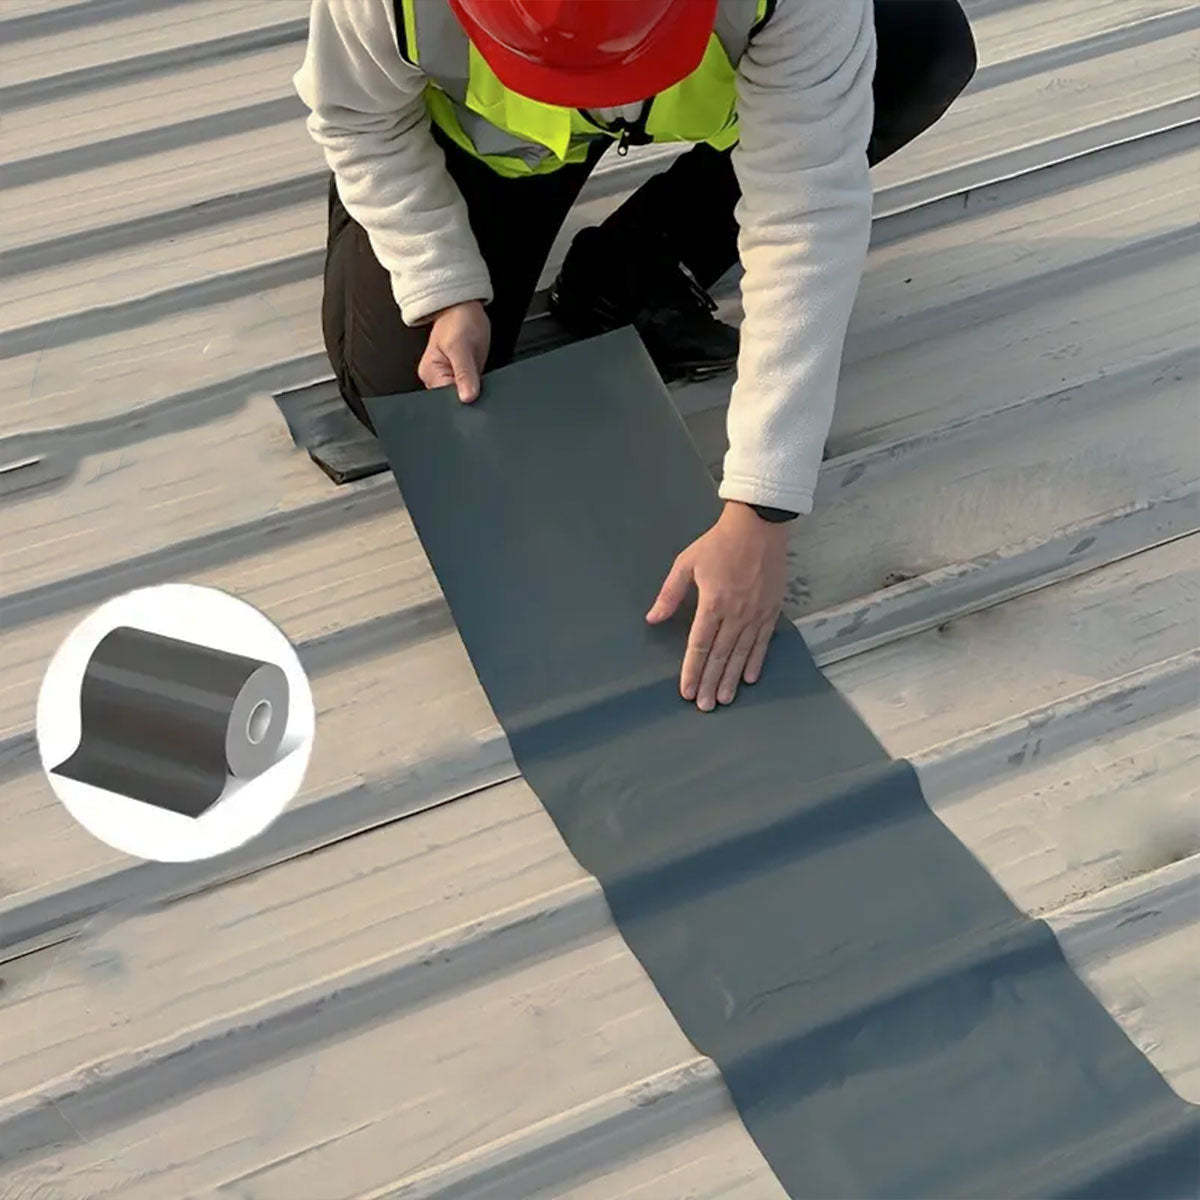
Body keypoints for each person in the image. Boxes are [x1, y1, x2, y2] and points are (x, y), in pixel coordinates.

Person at [294, 0, 976, 711]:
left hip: (691, 91)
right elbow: (359, 120)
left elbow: (805, 211)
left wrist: (763, 505)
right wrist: (442, 286)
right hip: (497, 146)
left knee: (918, 44)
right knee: (406, 391)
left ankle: (639, 263)